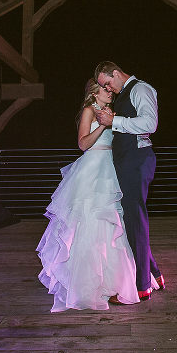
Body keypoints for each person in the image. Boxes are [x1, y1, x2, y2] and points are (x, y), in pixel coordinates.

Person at [36, 79, 139, 312]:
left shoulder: (110, 112)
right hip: (92, 169)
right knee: (87, 223)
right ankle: (85, 284)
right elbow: (82, 144)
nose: (110, 91)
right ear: (94, 92)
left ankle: (113, 282)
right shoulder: (88, 111)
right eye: (105, 88)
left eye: (110, 88)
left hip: (109, 168)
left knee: (109, 224)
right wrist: (102, 125)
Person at [93, 61, 164, 303]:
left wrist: (115, 121)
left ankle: (142, 286)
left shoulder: (140, 89)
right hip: (127, 162)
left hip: (137, 160)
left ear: (114, 73)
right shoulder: (126, 93)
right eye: (105, 87)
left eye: (107, 83)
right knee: (131, 219)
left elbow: (150, 124)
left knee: (134, 219)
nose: (108, 89)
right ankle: (154, 273)